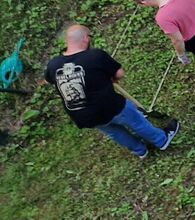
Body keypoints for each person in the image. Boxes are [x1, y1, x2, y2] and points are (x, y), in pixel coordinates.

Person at [44, 24, 180, 158]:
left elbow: (50, 80)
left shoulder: (53, 64)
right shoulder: (95, 56)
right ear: (85, 38)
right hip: (109, 106)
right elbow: (119, 74)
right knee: (136, 122)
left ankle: (140, 150)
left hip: (82, 114)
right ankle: (161, 140)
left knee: (114, 132)